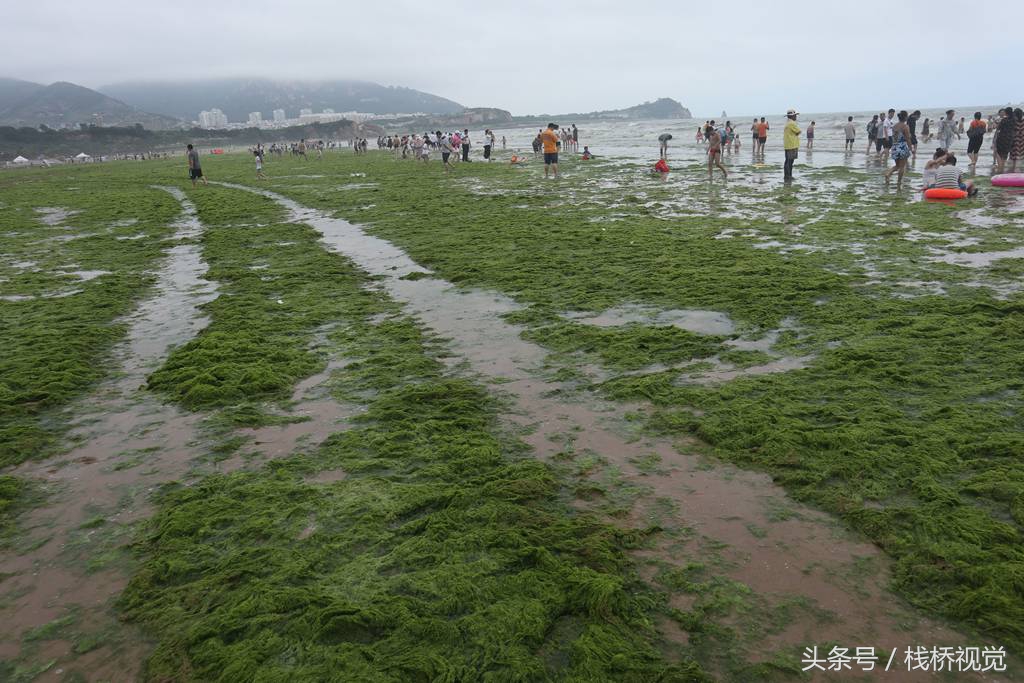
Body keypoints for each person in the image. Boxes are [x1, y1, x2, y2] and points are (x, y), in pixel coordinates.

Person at [884, 110, 913, 188]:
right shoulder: (905, 126)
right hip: (902, 147)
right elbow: (908, 139)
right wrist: (911, 148)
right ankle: (899, 182)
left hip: (894, 147)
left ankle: (888, 173)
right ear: (905, 117)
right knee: (902, 166)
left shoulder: (894, 126)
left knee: (897, 166)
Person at [994, 108, 1016, 173]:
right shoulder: (1014, 120)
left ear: (1006, 113)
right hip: (1010, 139)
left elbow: (998, 129)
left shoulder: (1004, 120)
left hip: (1002, 138)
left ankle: (1000, 168)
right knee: (1005, 154)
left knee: (998, 153)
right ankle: (1002, 168)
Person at [783, 109, 800, 181]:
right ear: (792, 116)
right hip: (792, 144)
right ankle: (789, 176)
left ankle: (787, 175)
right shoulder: (792, 123)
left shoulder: (787, 123)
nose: (796, 116)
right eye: (795, 115)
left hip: (787, 144)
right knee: (790, 162)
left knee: (787, 161)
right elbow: (798, 131)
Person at [1011, 108, 1024, 172]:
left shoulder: (1014, 121)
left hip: (1015, 139)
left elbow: (1013, 131)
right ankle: (1016, 168)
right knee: (1020, 154)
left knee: (1015, 154)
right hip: (1022, 139)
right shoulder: (1022, 121)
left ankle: (1015, 168)